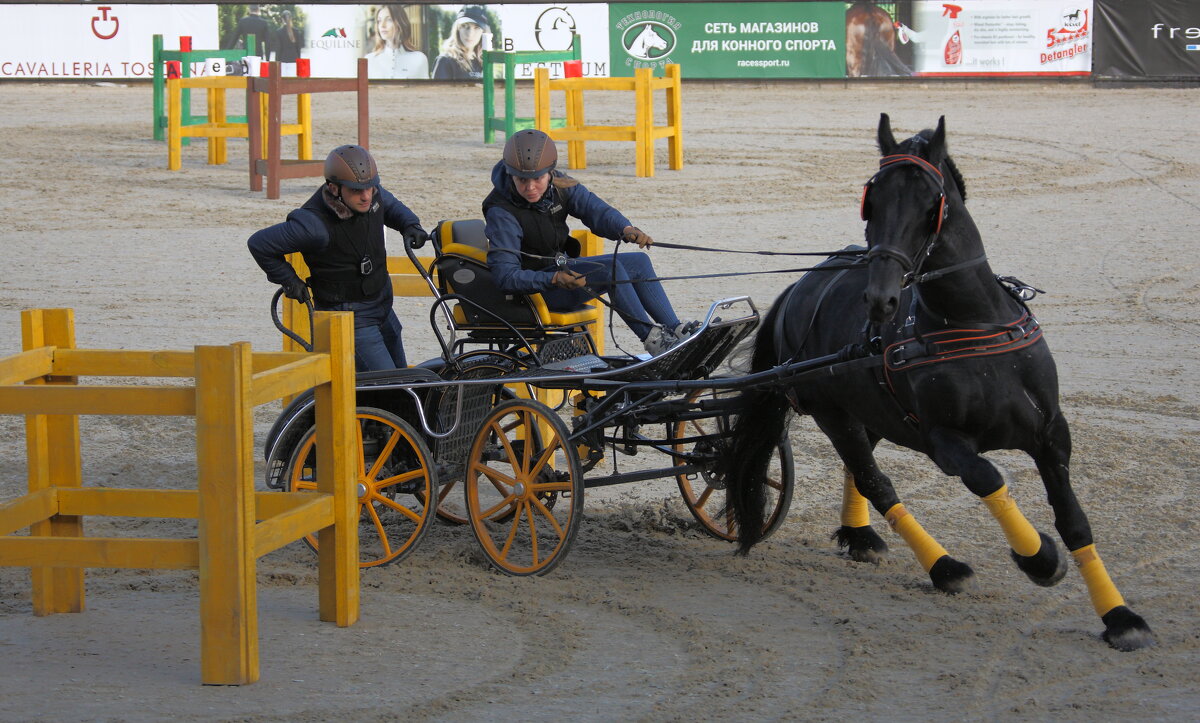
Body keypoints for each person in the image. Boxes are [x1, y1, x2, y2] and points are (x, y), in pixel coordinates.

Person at [483, 129, 695, 356]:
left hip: (559, 273)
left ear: (550, 172)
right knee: (611, 270)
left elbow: (594, 209)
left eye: (538, 178)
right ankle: (654, 341)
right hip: (534, 294)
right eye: (522, 180)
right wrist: (552, 278)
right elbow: (505, 276)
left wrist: (625, 228)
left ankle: (677, 330)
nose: (531, 187)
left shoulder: (560, 185)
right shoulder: (501, 212)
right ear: (510, 173)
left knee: (638, 261)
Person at [248, 145, 429, 371]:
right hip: (348, 316)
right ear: (334, 188)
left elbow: (390, 205)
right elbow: (259, 244)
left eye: (370, 188)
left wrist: (410, 224)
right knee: (391, 386)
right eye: (356, 191)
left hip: (382, 304)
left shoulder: (372, 193)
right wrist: (289, 280)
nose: (366, 197)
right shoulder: (313, 225)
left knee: (402, 378)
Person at [364, 5, 429, 80]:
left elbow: (424, 90)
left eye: (389, 20)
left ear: (400, 23)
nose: (382, 25)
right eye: (379, 21)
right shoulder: (369, 60)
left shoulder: (419, 59)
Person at [431, 6, 488, 80]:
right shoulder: (445, 61)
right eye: (465, 26)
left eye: (476, 28)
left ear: (483, 32)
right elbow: (438, 91)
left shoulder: (481, 61)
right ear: (458, 28)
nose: (470, 34)